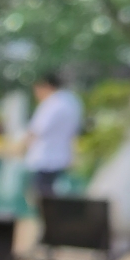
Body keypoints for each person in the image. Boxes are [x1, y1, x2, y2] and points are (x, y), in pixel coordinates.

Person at [23, 71, 83, 203]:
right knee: (52, 194)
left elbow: (36, 130)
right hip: (63, 156)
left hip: (45, 157)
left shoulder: (51, 103)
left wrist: (21, 147)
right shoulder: (72, 101)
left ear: (45, 86)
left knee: (41, 197)